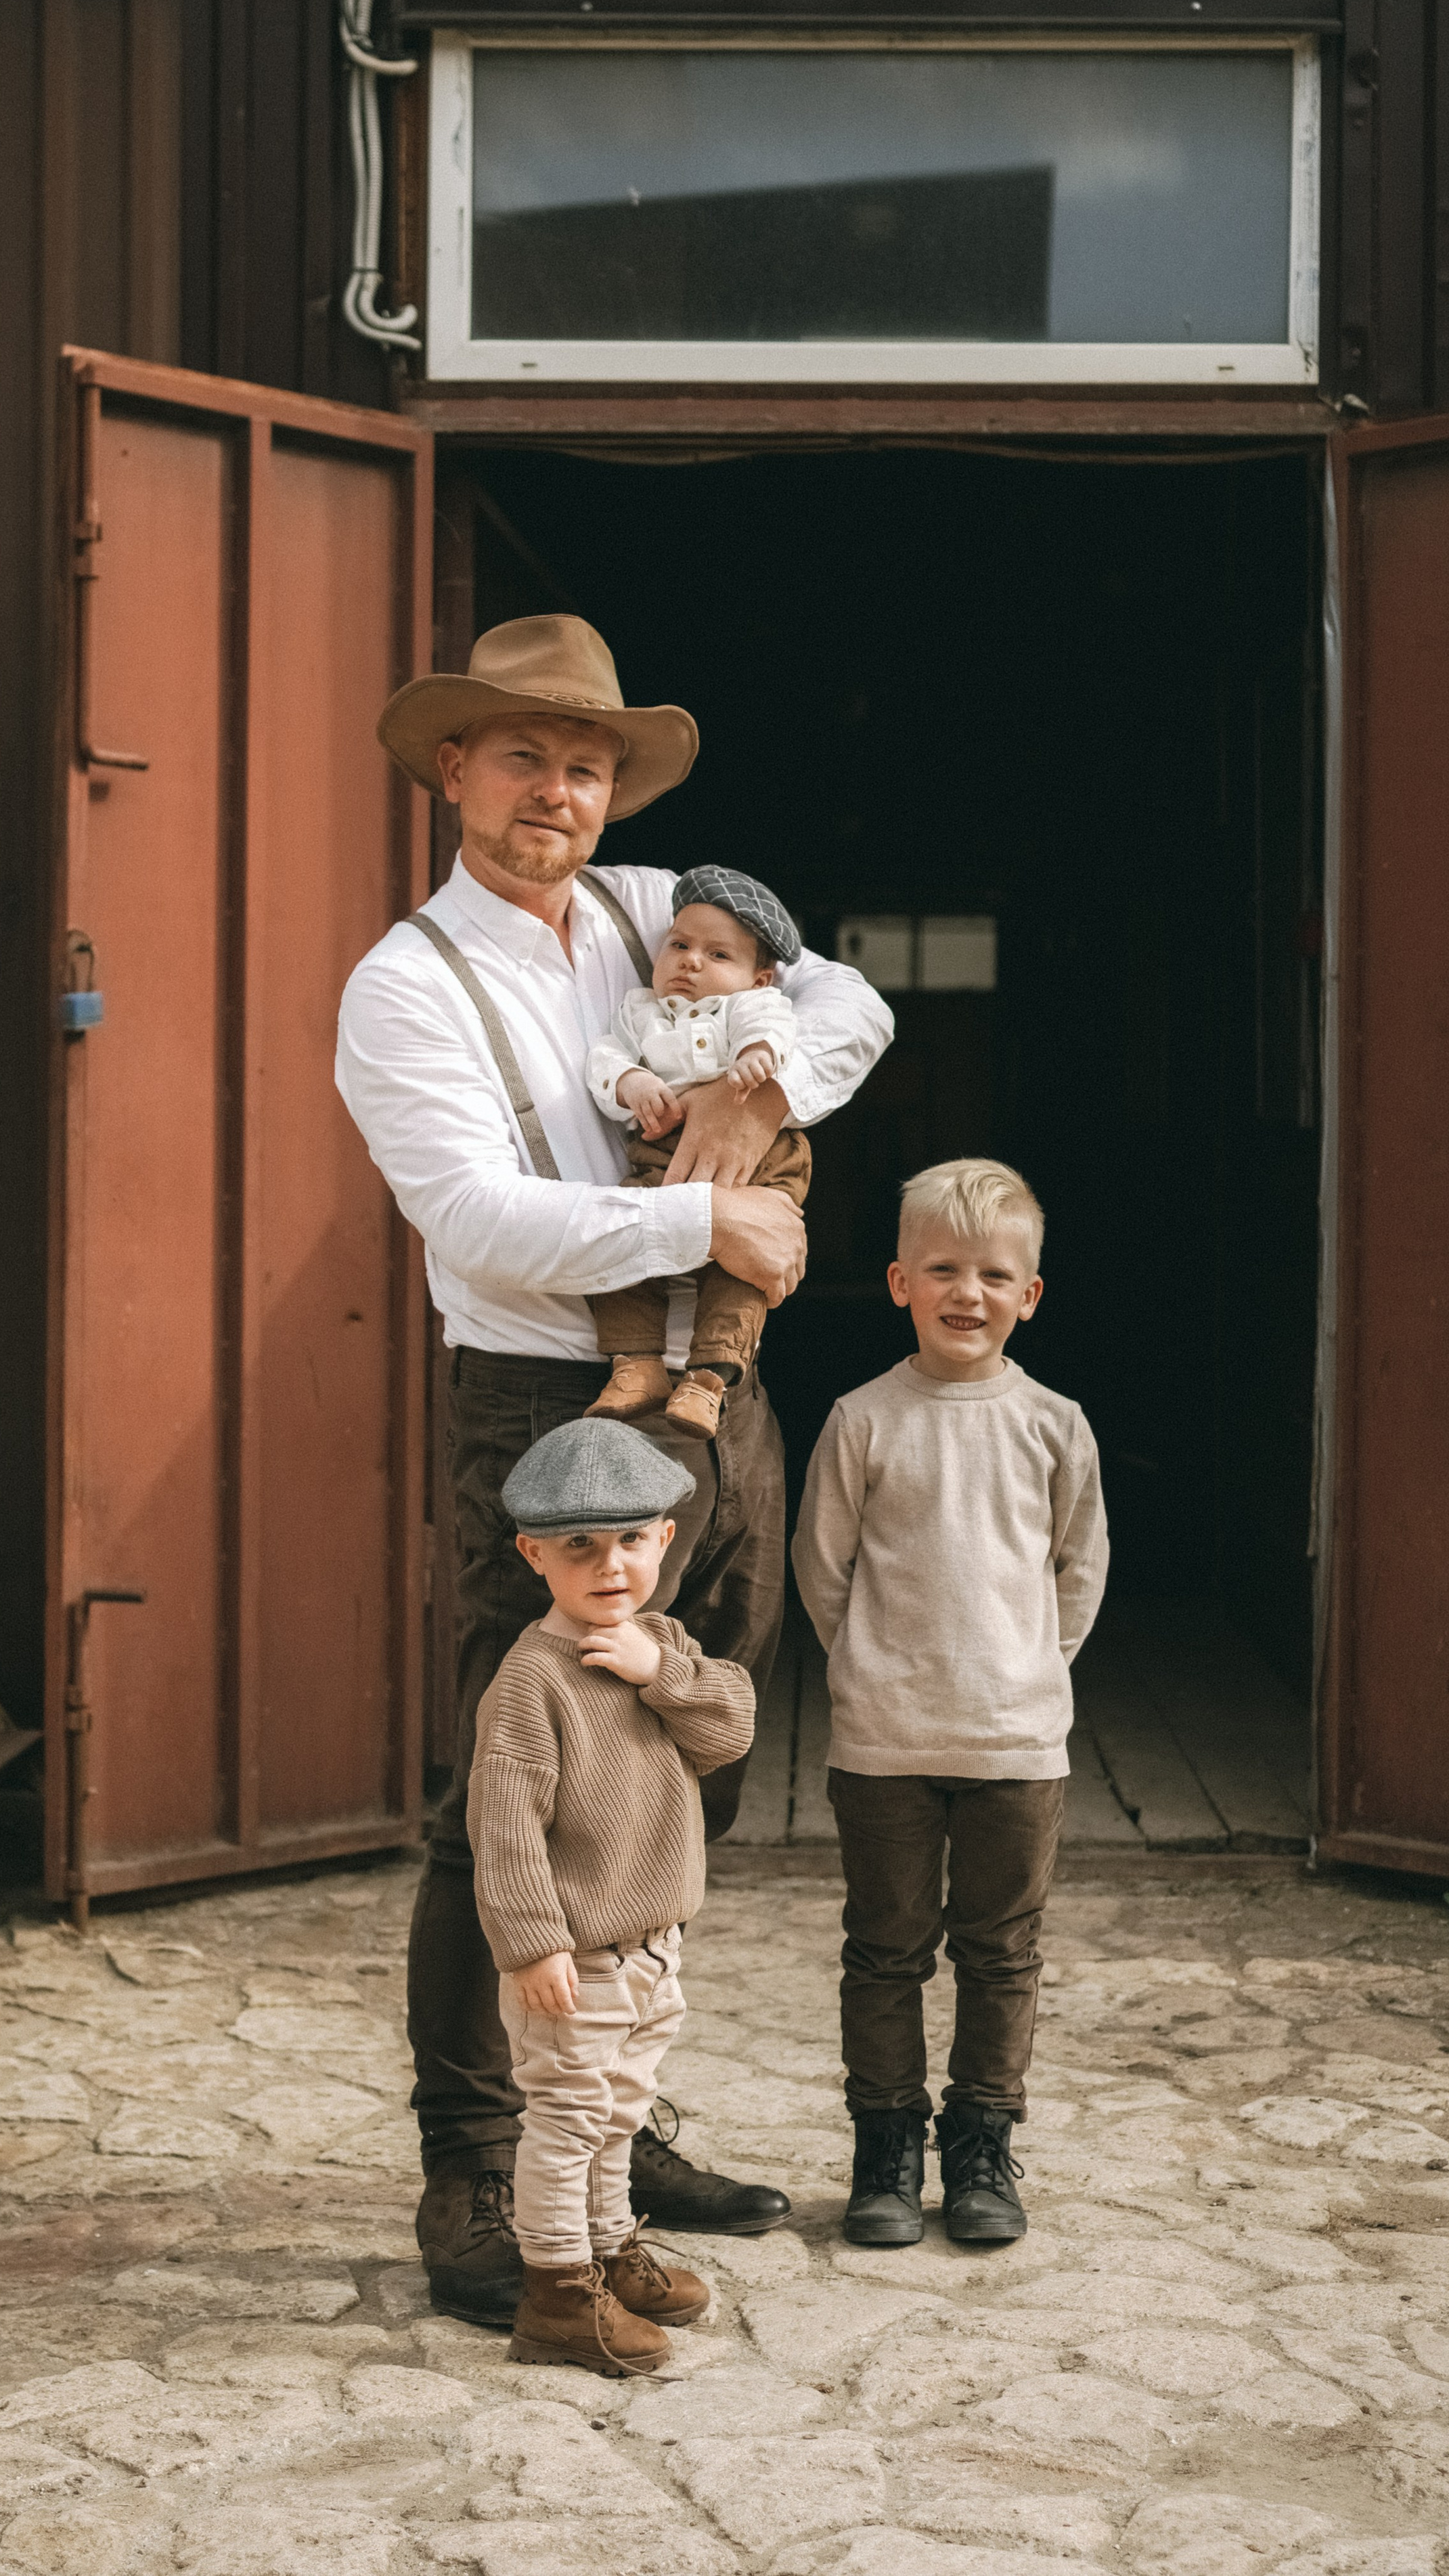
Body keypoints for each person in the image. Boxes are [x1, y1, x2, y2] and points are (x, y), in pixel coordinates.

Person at [335, 613, 893, 2328]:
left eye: (583, 763)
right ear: (452, 768)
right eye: (521, 756)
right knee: (508, 1781)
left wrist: (755, 1083)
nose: (555, 792)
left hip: (715, 1396)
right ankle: (472, 2159)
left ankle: (614, 2117)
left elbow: (849, 991)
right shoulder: (404, 981)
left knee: (688, 1747)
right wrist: (707, 1207)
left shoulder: (658, 907)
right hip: (538, 1396)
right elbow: (475, 1212)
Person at [790, 1157, 1109, 2250]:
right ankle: (886, 2150)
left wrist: (1027, 1669)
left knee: (1001, 1953)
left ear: (1030, 1295)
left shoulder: (1055, 1426)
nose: (966, 1293)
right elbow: (824, 1570)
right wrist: (878, 1668)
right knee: (885, 1950)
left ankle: (982, 2147)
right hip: (885, 1742)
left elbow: (1078, 1567)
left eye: (992, 1274)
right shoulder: (864, 1421)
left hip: (1018, 1744)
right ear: (897, 1283)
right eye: (942, 1269)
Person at [469, 1418, 754, 2376]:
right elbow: (505, 1829)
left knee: (622, 2114)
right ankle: (555, 2295)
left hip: (653, 1949)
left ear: (664, 1542)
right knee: (565, 2122)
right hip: (577, 1958)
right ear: (534, 1554)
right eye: (580, 1548)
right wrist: (531, 1944)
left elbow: (731, 1732)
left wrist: (658, 1672)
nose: (611, 1567)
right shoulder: (529, 1682)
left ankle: (606, 2247)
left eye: (632, 1539)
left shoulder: (660, 1645)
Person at [584, 864, 811, 1443]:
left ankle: (708, 1380)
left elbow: (776, 1029)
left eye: (718, 955)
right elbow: (605, 1060)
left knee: (744, 1272)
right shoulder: (640, 1013)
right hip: (664, 1153)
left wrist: (758, 1057)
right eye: (679, 945)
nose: (690, 962)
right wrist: (631, 1083)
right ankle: (636, 1365)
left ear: (758, 979)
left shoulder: (749, 1008)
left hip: (761, 1162)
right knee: (619, 1237)